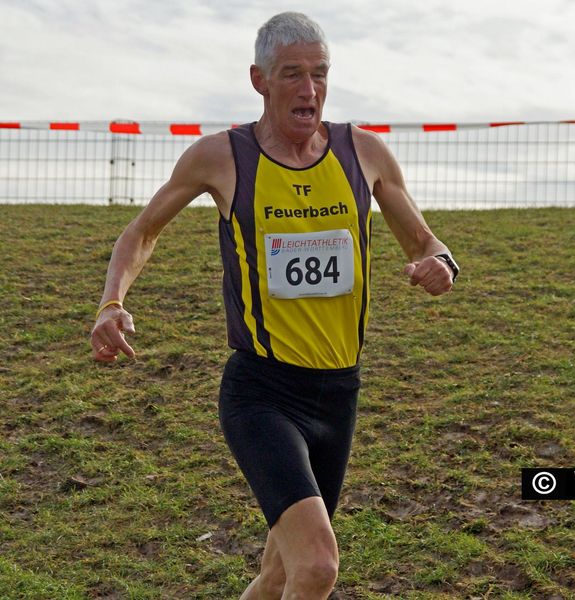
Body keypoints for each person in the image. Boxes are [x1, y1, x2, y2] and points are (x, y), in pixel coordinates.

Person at [90, 11, 459, 600]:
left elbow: (425, 241)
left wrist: (444, 264)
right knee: (318, 565)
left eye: (319, 74)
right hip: (262, 393)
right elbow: (140, 233)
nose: (308, 89)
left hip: (339, 393)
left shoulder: (363, 153)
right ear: (260, 79)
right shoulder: (221, 157)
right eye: (292, 74)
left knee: (281, 574)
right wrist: (112, 302)